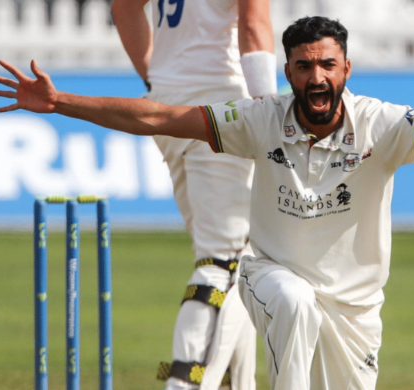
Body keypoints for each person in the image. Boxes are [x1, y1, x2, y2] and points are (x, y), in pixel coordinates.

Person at [0, 16, 414, 390]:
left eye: (327, 65)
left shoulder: (383, 124)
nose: (316, 78)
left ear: (346, 70)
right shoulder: (260, 118)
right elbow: (161, 115)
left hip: (355, 314)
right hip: (270, 281)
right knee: (292, 298)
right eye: (302, 66)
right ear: (290, 72)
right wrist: (61, 103)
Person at [109, 0, 276, 389]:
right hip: (221, 111)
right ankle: (185, 383)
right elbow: (254, 23)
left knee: (235, 260)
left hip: (168, 107)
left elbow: (124, 9)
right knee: (226, 263)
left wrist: (159, 80)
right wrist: (270, 112)